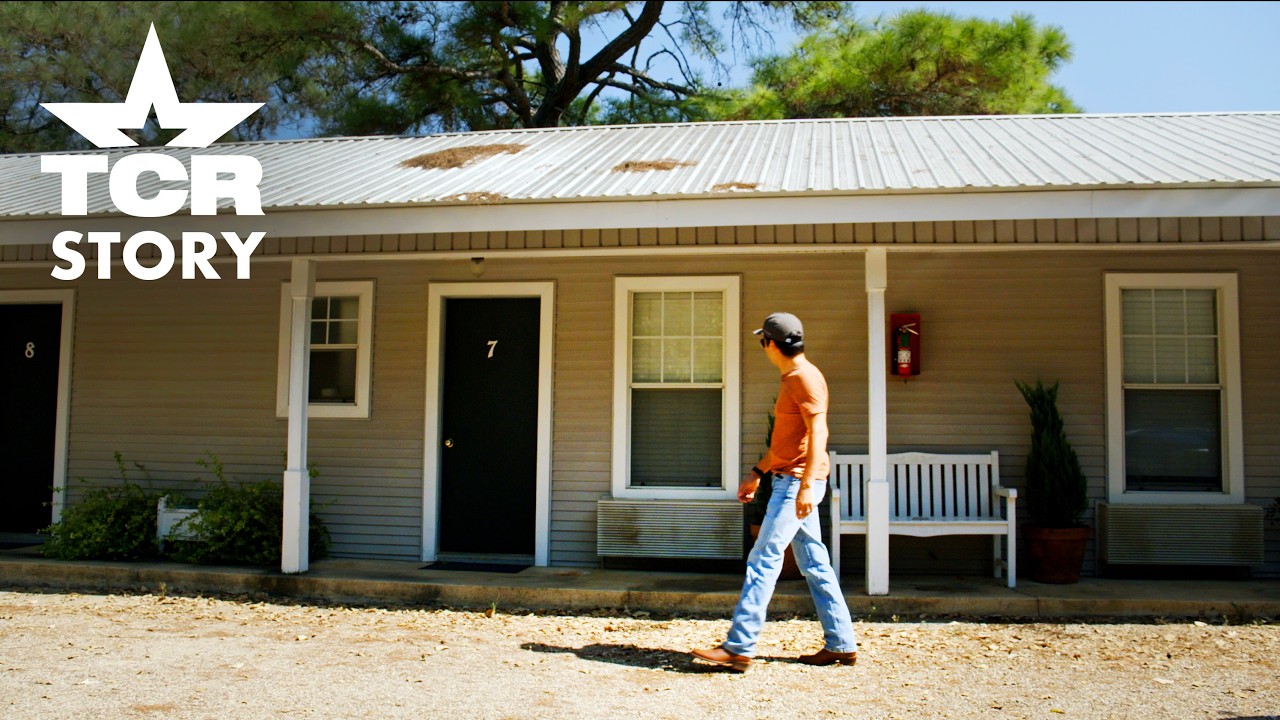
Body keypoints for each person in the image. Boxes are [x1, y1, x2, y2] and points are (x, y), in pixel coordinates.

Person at [691, 312, 858, 672]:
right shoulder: (795, 376)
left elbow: (820, 435)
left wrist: (808, 486)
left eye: (761, 340)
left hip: (797, 482)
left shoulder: (802, 378)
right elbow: (789, 442)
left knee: (763, 559)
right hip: (790, 477)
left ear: (770, 343)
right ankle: (842, 643)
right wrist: (756, 473)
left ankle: (739, 647)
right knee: (815, 563)